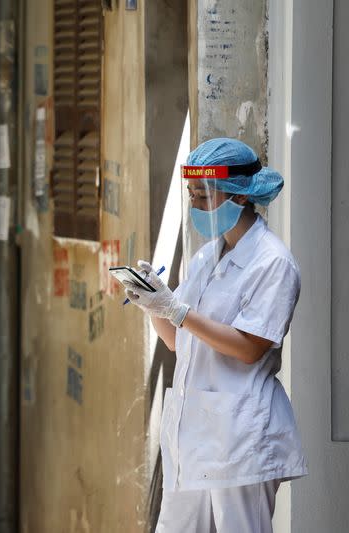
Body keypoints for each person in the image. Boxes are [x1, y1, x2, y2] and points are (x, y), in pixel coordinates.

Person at [123, 138, 307, 533]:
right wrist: (154, 304)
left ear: (240, 197)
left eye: (204, 194)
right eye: (191, 194)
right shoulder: (208, 256)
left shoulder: (273, 263)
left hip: (240, 436)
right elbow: (180, 340)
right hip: (194, 436)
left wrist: (178, 310)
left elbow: (248, 349)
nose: (195, 206)